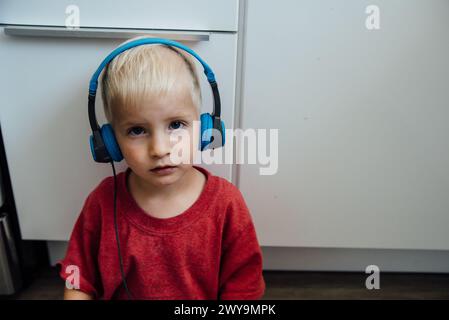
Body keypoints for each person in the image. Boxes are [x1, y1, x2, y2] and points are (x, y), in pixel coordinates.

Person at [57, 37, 265, 300]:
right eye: (137, 130)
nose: (160, 149)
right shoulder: (101, 202)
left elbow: (244, 286)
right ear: (110, 142)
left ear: (205, 130)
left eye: (176, 125)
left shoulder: (227, 204)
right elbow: (77, 276)